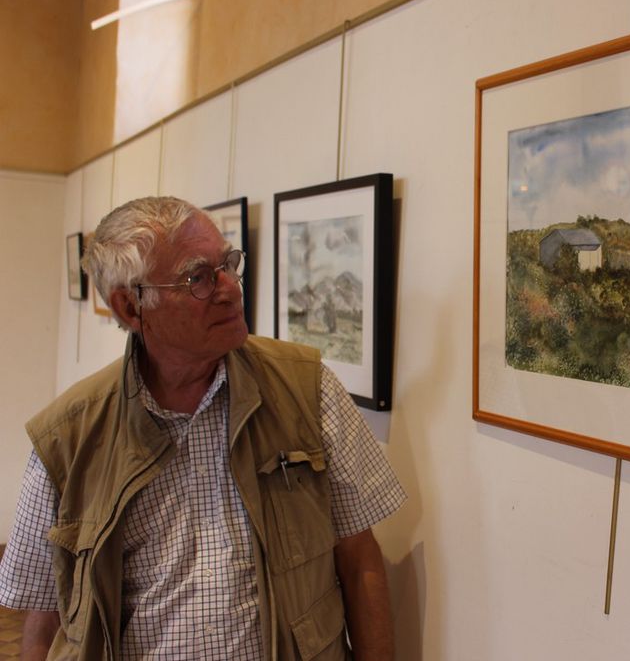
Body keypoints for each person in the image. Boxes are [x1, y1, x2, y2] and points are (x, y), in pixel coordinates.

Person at [0, 196, 406, 660]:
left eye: (227, 264)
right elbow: (43, 612)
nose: (230, 289)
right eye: (198, 278)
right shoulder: (67, 439)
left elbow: (359, 561)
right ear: (132, 308)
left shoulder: (306, 389)